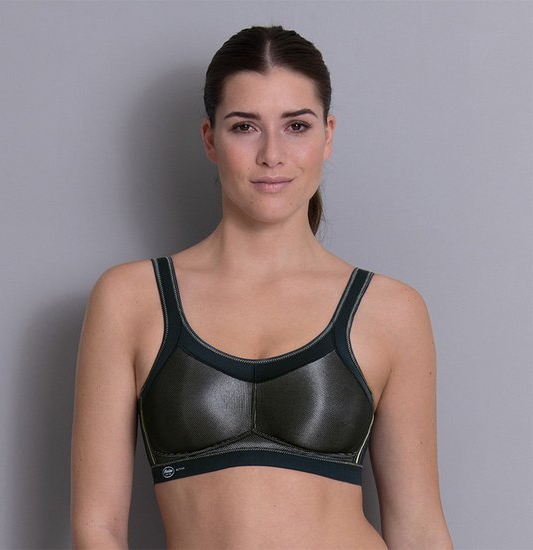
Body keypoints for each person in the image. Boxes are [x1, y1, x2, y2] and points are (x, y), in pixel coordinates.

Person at [71, 25, 452, 549]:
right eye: (245, 126)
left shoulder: (390, 311)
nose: (273, 154)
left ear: (328, 135)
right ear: (210, 138)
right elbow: (97, 528)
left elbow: (420, 529)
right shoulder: (131, 300)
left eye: (296, 125)